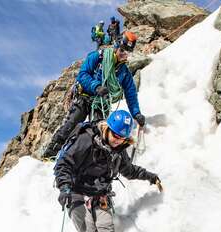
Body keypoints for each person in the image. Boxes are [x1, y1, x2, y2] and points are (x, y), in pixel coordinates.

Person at [54, 110, 160, 232]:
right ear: (107, 128)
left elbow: (129, 170)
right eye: (116, 136)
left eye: (123, 138)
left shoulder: (119, 150)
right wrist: (65, 187)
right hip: (76, 192)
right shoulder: (86, 139)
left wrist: (150, 176)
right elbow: (63, 164)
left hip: (100, 195)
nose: (118, 141)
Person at [43, 31, 145, 159]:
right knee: (72, 124)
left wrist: (136, 113)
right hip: (85, 96)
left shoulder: (124, 72)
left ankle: (90, 161)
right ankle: (49, 155)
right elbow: (83, 75)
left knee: (99, 132)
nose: (124, 54)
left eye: (128, 52)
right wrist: (96, 86)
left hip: (101, 103)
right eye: (123, 49)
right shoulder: (98, 57)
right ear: (116, 45)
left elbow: (130, 93)